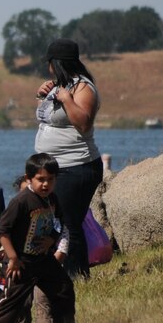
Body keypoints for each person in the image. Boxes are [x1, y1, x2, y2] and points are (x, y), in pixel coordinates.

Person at [0, 153, 76, 323]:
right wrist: (13, 259)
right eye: (40, 179)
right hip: (20, 263)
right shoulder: (21, 201)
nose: (46, 184)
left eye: (50, 179)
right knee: (11, 302)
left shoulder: (52, 199)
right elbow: (2, 231)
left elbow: (59, 222)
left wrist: (52, 239)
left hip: (42, 259)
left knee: (63, 289)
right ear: (29, 178)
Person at [34, 38, 102, 282]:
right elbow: (48, 118)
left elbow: (83, 124)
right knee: (62, 223)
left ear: (57, 63)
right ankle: (69, 275)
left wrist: (67, 100)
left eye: (50, 63)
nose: (48, 68)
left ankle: (77, 277)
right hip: (55, 168)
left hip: (77, 167)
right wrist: (42, 95)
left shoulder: (83, 88)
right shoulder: (59, 86)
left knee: (69, 224)